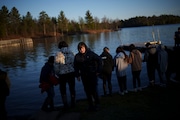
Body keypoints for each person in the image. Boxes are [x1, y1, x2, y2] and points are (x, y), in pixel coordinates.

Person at [74, 42, 102, 111]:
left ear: (85, 47)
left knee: (94, 90)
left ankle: (97, 104)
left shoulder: (90, 53)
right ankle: (90, 105)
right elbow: (76, 66)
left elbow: (99, 60)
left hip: (92, 74)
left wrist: (98, 70)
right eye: (80, 48)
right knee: (87, 91)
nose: (81, 50)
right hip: (84, 76)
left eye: (82, 48)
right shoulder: (77, 56)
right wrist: (77, 75)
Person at [54, 41, 76, 110]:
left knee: (63, 90)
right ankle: (73, 103)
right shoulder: (72, 52)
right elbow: (74, 63)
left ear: (59, 46)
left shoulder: (58, 54)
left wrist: (57, 74)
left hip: (62, 74)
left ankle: (65, 105)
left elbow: (56, 66)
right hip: (71, 73)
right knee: (72, 89)